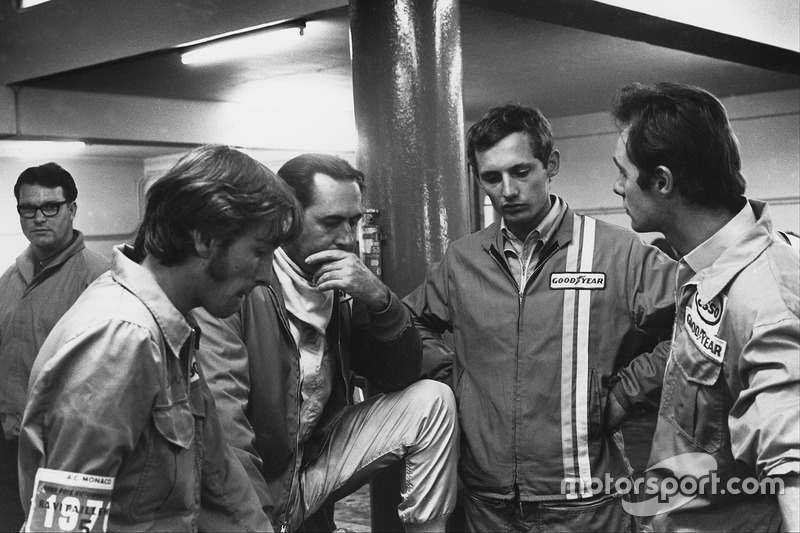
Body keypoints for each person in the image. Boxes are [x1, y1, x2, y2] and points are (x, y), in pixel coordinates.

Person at [403, 103, 677, 532]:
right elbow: (410, 325)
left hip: (585, 499)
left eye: (521, 171)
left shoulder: (617, 252)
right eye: (491, 178)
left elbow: (699, 323)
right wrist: (455, 382)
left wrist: (627, 393)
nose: (507, 190)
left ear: (551, 165)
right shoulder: (463, 258)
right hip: (489, 500)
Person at [17, 145, 300, 531]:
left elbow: (220, 479)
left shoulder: (170, 326)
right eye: (259, 251)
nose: (266, 274)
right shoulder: (120, 339)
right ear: (204, 237)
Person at [194, 153, 458, 533]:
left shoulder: (341, 288)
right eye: (331, 222)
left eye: (355, 221)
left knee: (433, 400)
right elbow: (226, 431)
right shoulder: (242, 287)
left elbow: (401, 375)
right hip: (251, 490)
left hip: (309, 468)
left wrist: (381, 301)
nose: (348, 238)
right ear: (287, 218)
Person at [607, 82, 799, 532]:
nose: (615, 187)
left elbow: (793, 463)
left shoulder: (764, 295)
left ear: (662, 182)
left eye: (622, 172)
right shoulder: (704, 266)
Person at [0, 162, 110, 530]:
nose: (38, 218)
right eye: (28, 209)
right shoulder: (10, 279)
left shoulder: (99, 279)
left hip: (66, 455)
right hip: (8, 446)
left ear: (72, 209)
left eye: (51, 207)